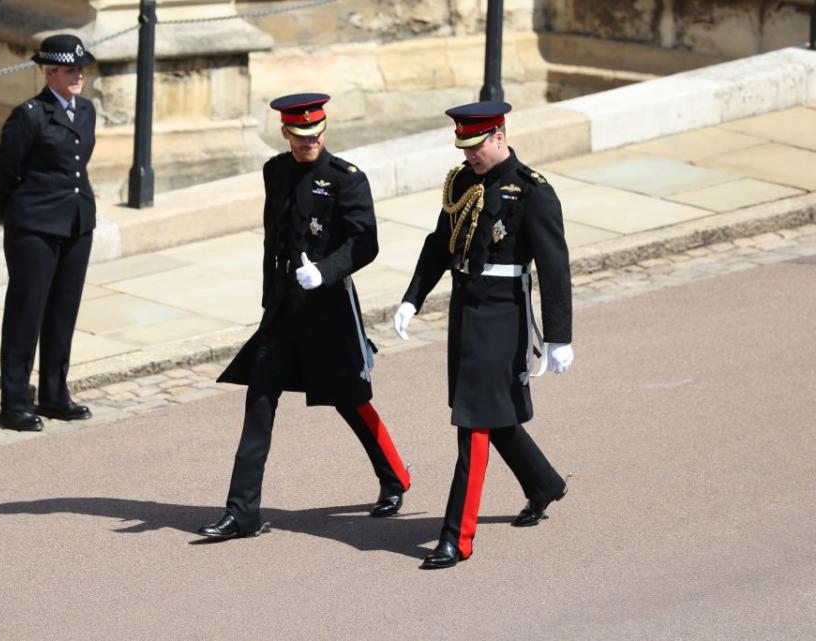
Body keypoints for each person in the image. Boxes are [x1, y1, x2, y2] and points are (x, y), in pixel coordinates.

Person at [197, 93, 412, 540]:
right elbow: (272, 237)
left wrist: (327, 271)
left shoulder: (346, 179)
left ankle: (394, 476)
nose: (307, 143)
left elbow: (365, 242)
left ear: (324, 130)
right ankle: (242, 512)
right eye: (299, 136)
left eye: (314, 135)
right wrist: (268, 295)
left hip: (328, 309)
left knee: (350, 398)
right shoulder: (275, 170)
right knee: (258, 402)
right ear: (285, 134)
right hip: (283, 310)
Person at [393, 101, 574, 569]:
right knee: (489, 412)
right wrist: (413, 297)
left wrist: (559, 337)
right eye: (464, 147)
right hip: (465, 308)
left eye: (476, 146)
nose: (470, 155)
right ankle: (544, 484)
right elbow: (440, 244)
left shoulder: (533, 192)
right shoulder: (461, 182)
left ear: (499, 135)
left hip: (503, 315)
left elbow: (555, 268)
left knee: (472, 422)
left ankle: (457, 538)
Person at [0, 34, 98, 432]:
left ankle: (54, 394)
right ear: (50, 72)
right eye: (70, 69)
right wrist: (15, 216)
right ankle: (15, 403)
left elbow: (77, 167)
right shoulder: (29, 114)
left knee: (63, 312)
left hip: (76, 222)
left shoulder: (86, 110)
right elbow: (2, 172)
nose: (78, 75)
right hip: (33, 226)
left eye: (81, 68)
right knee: (26, 313)